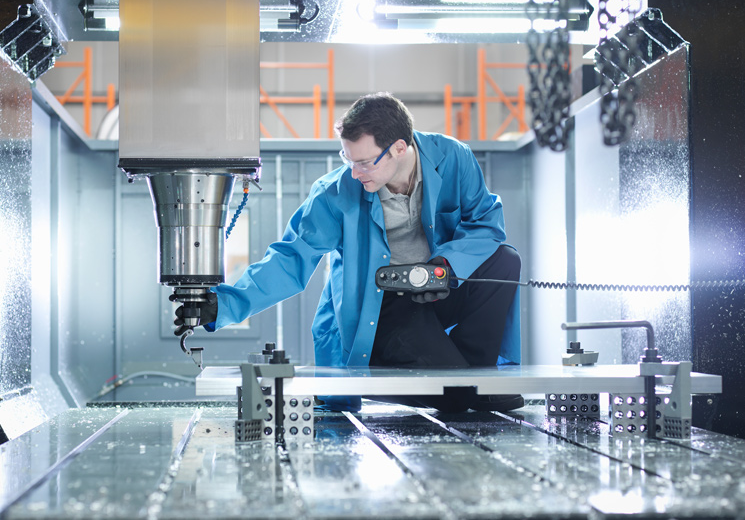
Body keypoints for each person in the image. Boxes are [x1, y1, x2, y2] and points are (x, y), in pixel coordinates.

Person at [185, 92, 522, 413]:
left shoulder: (453, 159)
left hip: (436, 291)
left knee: (505, 261)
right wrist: (224, 304)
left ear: (399, 148)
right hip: (382, 310)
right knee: (453, 398)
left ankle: (477, 376)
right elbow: (291, 257)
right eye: (348, 159)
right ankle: (449, 388)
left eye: (364, 162)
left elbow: (486, 224)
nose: (354, 172)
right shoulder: (336, 194)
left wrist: (447, 265)